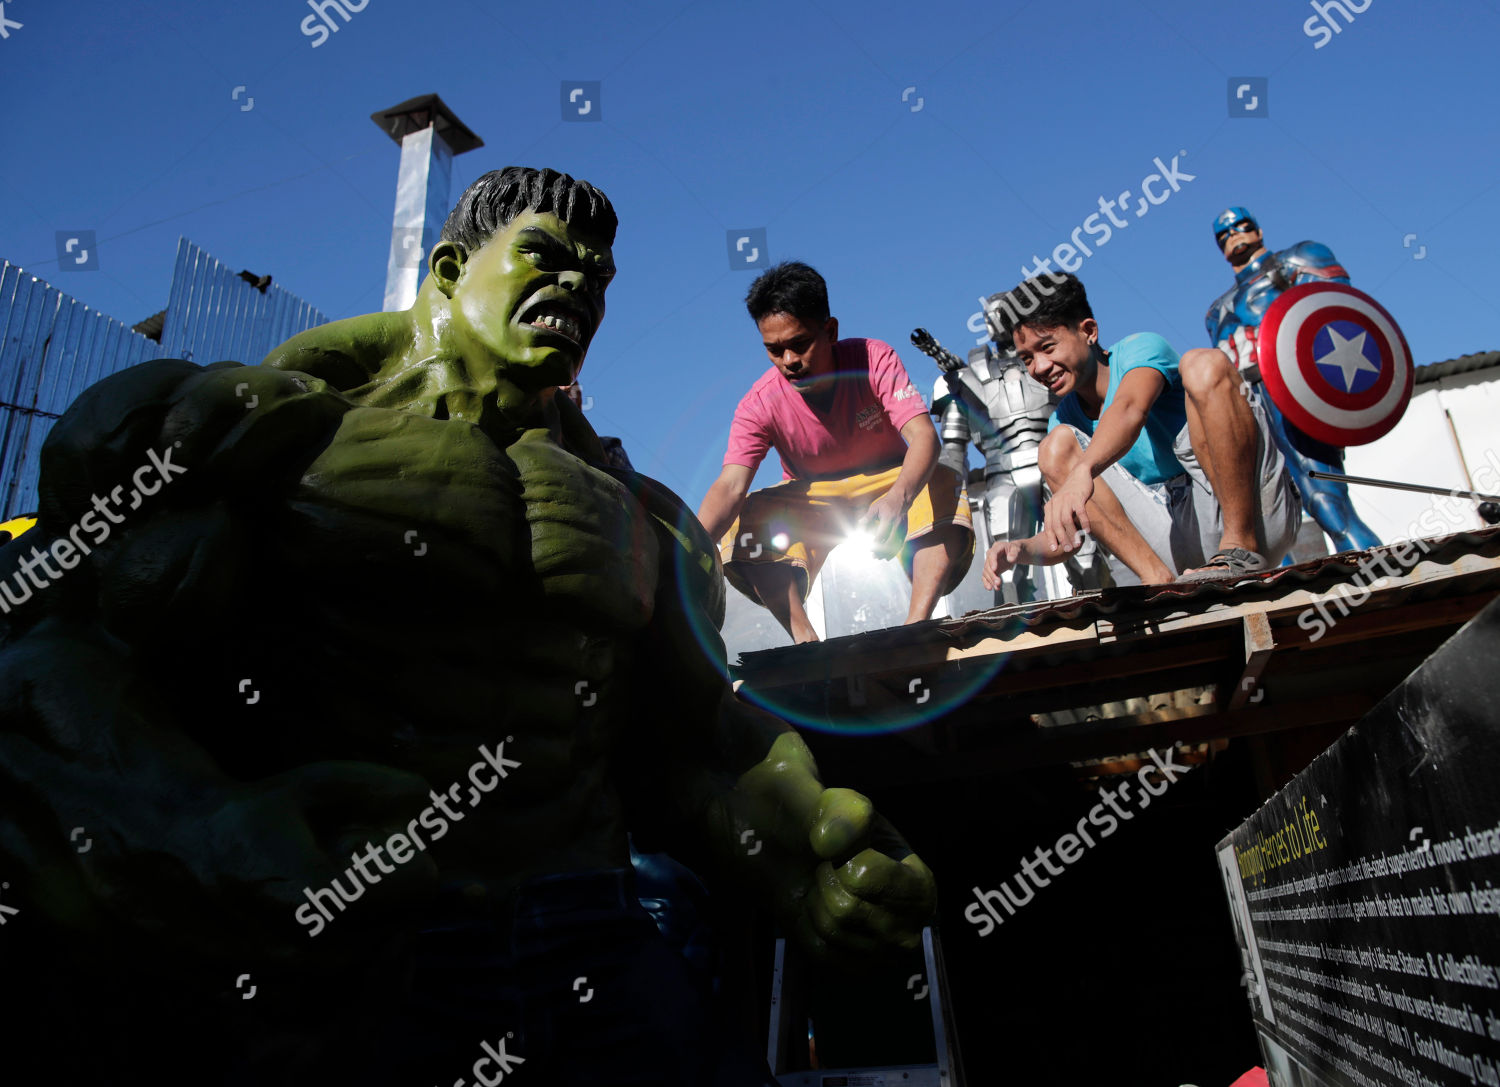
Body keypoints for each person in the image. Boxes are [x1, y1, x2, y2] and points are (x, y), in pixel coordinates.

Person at [0, 167, 935, 1086]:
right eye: (545, 256)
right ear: (448, 270)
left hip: (589, 931)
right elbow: (52, 662)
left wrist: (805, 853)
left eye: (598, 278)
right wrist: (188, 829)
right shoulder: (254, 431)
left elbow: (688, 741)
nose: (577, 285)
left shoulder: (635, 515)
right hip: (362, 951)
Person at [697, 262, 973, 643]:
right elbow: (730, 486)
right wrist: (685, 551)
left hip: (889, 482)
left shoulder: (873, 358)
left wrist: (898, 499)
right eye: (774, 350)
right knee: (744, 519)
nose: (789, 361)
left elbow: (925, 437)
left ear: (830, 331)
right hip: (814, 498)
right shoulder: (757, 404)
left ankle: (916, 626)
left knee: (942, 479)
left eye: (800, 344)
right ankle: (804, 640)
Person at [979, 273, 1299, 588]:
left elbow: (1130, 408)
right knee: (1054, 448)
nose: (1039, 367)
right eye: (1027, 359)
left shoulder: (1141, 350)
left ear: (1088, 331)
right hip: (1185, 545)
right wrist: (1020, 549)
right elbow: (1068, 534)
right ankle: (1157, 582)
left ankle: (1240, 548)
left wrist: (1085, 471)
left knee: (1204, 364)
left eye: (1047, 347)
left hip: (1257, 518)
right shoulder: (1063, 424)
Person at [1205, 206, 1380, 552]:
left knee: (1324, 498)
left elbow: (1340, 314)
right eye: (1223, 233)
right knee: (1256, 517)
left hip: (1291, 388)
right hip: (1244, 403)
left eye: (1240, 226)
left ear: (1257, 228)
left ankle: (1376, 577)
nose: (1233, 234)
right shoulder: (1216, 310)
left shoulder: (1296, 261)